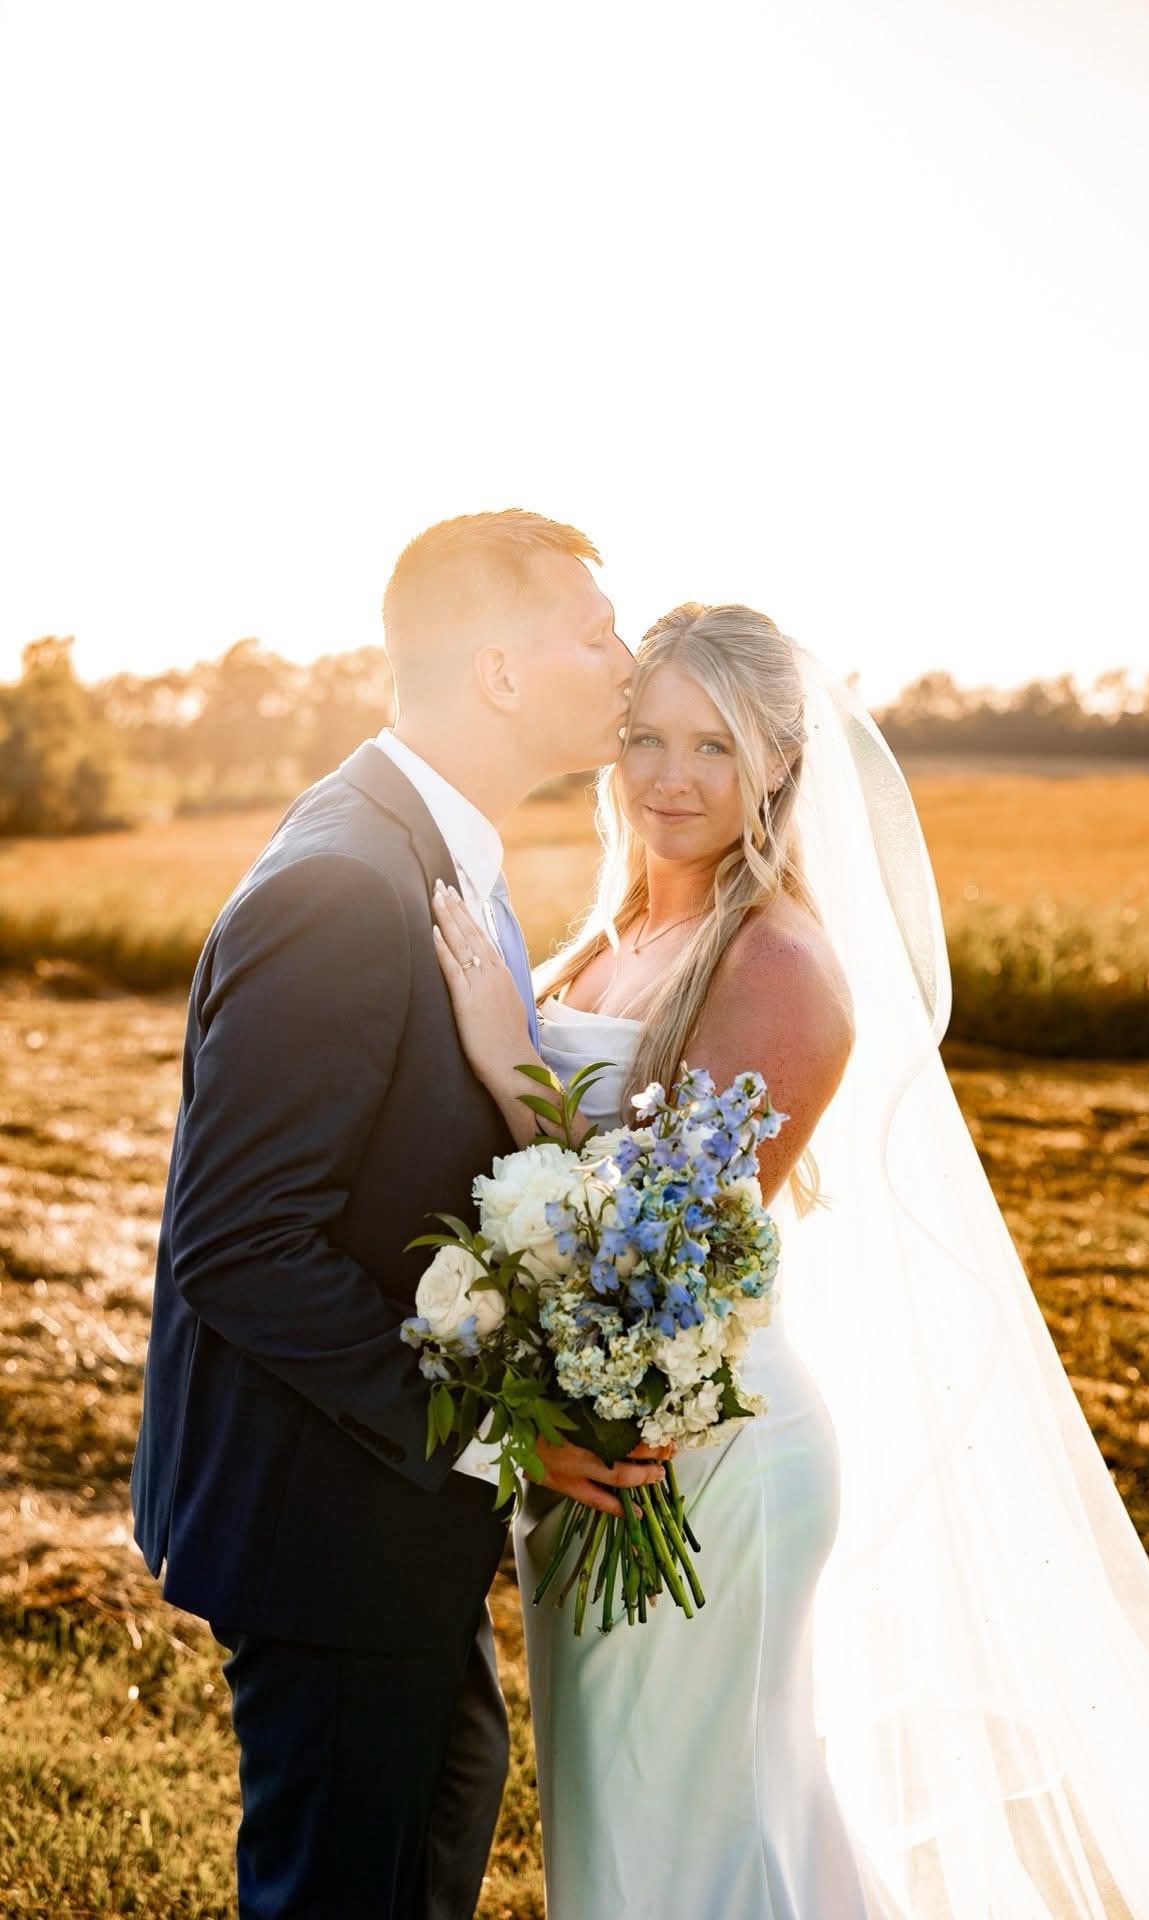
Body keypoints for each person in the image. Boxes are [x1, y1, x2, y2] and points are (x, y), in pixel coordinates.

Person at [433, 602, 1149, 1919]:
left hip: (699, 1465)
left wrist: (510, 1066)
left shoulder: (776, 957)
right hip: (610, 1447)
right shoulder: (613, 936)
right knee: (653, 1840)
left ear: (780, 761)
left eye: (714, 746)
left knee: (694, 1858)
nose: (669, 777)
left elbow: (671, 1248)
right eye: (645, 737)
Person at [130, 509, 667, 1920]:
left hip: (385, 1514)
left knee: (437, 1815)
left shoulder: (429, 846)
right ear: (498, 670)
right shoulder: (343, 887)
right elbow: (241, 1248)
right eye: (595, 632)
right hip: (325, 1527)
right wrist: (507, 1432)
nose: (627, 660)